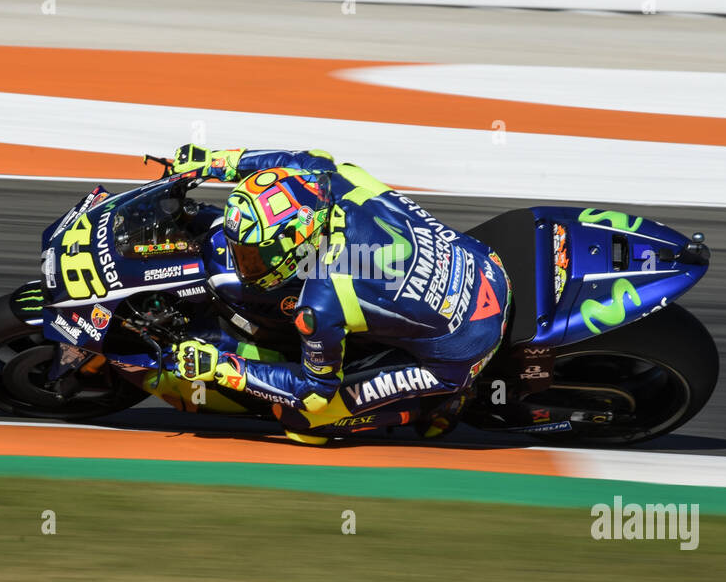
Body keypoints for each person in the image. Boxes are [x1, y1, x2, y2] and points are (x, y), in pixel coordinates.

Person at [168, 143, 509, 444]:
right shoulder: (336, 177)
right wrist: (214, 162)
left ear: (299, 243)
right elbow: (296, 161)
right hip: (485, 263)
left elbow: (314, 392)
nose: (246, 266)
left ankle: (442, 401)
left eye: (256, 256)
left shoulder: (320, 301)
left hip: (467, 343)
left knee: (303, 420)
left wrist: (221, 367)